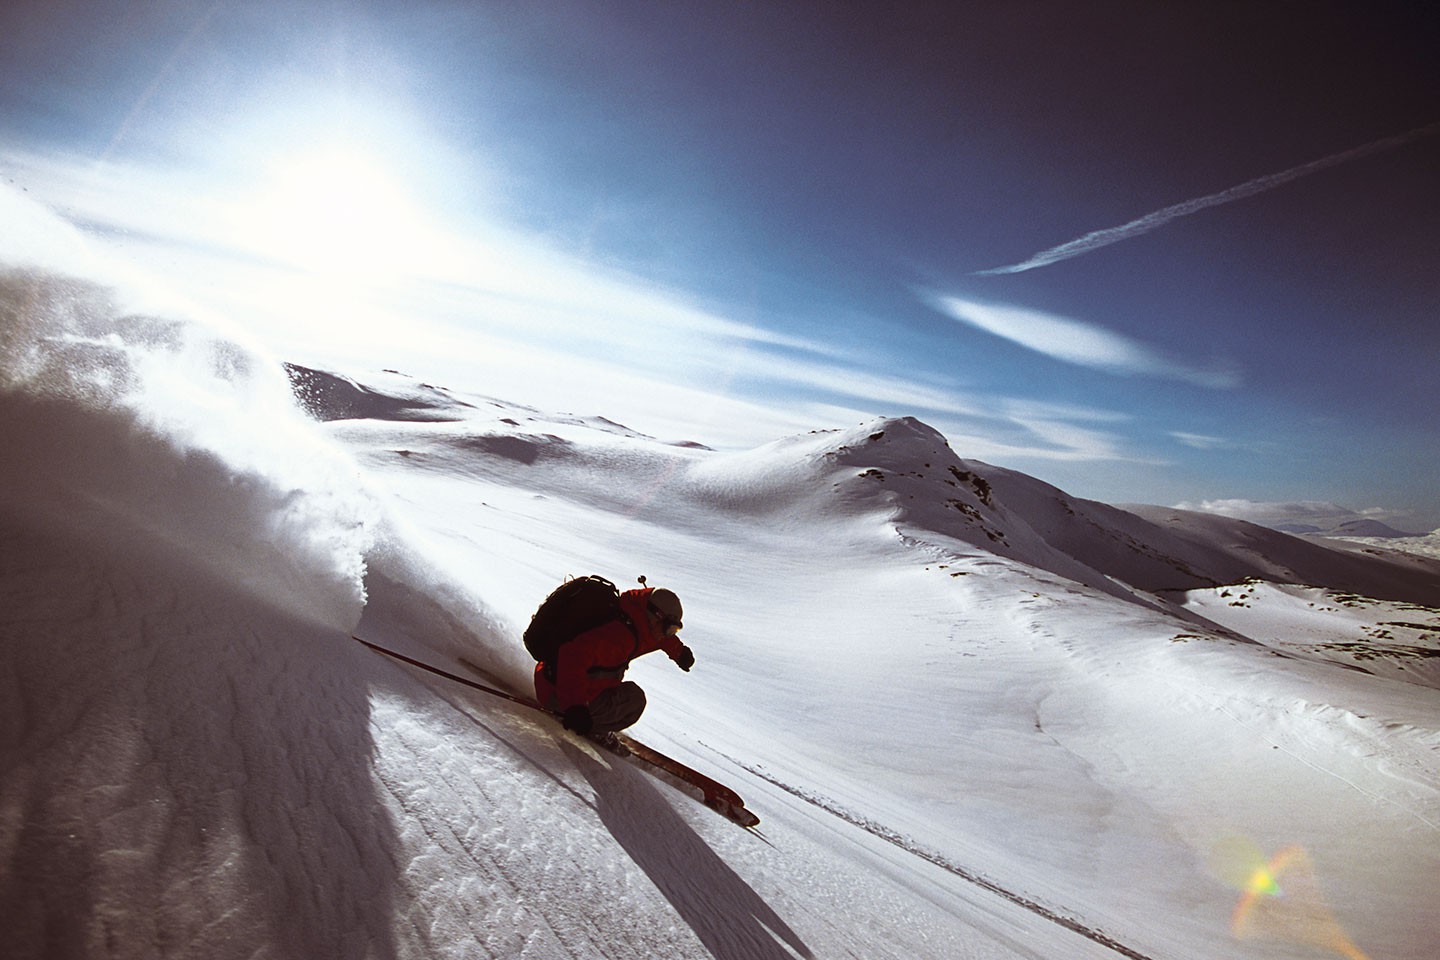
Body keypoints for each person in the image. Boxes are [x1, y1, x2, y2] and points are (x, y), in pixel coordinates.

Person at [534, 585, 695, 741]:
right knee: (634, 701)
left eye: (674, 630)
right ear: (656, 617)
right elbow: (572, 655)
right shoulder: (620, 637)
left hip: (554, 682)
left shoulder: (638, 620)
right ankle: (592, 730)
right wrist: (575, 707)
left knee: (623, 690)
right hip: (561, 696)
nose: (668, 635)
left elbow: (661, 640)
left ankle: (585, 716)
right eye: (669, 629)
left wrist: (679, 653)